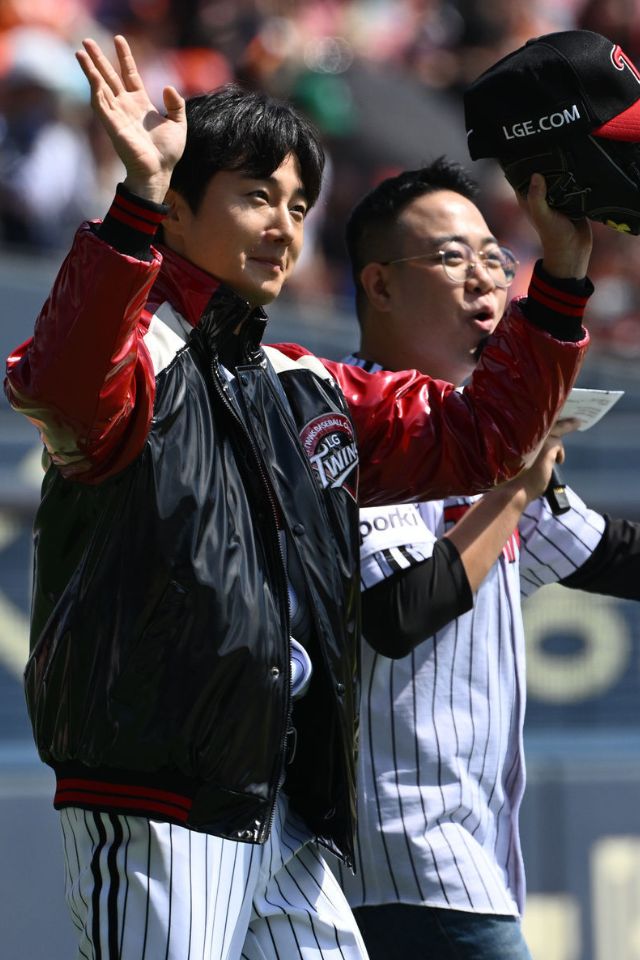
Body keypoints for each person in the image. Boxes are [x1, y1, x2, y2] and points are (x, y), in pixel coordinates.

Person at [4, 36, 591, 960]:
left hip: (285, 811)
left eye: (299, 204)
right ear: (179, 204)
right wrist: (134, 209)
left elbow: (483, 442)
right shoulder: (139, 353)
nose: (285, 226)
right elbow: (62, 383)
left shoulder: (300, 381)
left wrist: (558, 276)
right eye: (254, 196)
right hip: (163, 800)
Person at [332, 159, 640, 959]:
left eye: (495, 260)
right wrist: (510, 491)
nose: (484, 280)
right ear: (380, 284)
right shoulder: (350, 428)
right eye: (452, 257)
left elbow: (610, 556)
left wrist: (512, 481)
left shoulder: (483, 445)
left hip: (457, 859)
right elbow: (395, 615)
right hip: (399, 855)